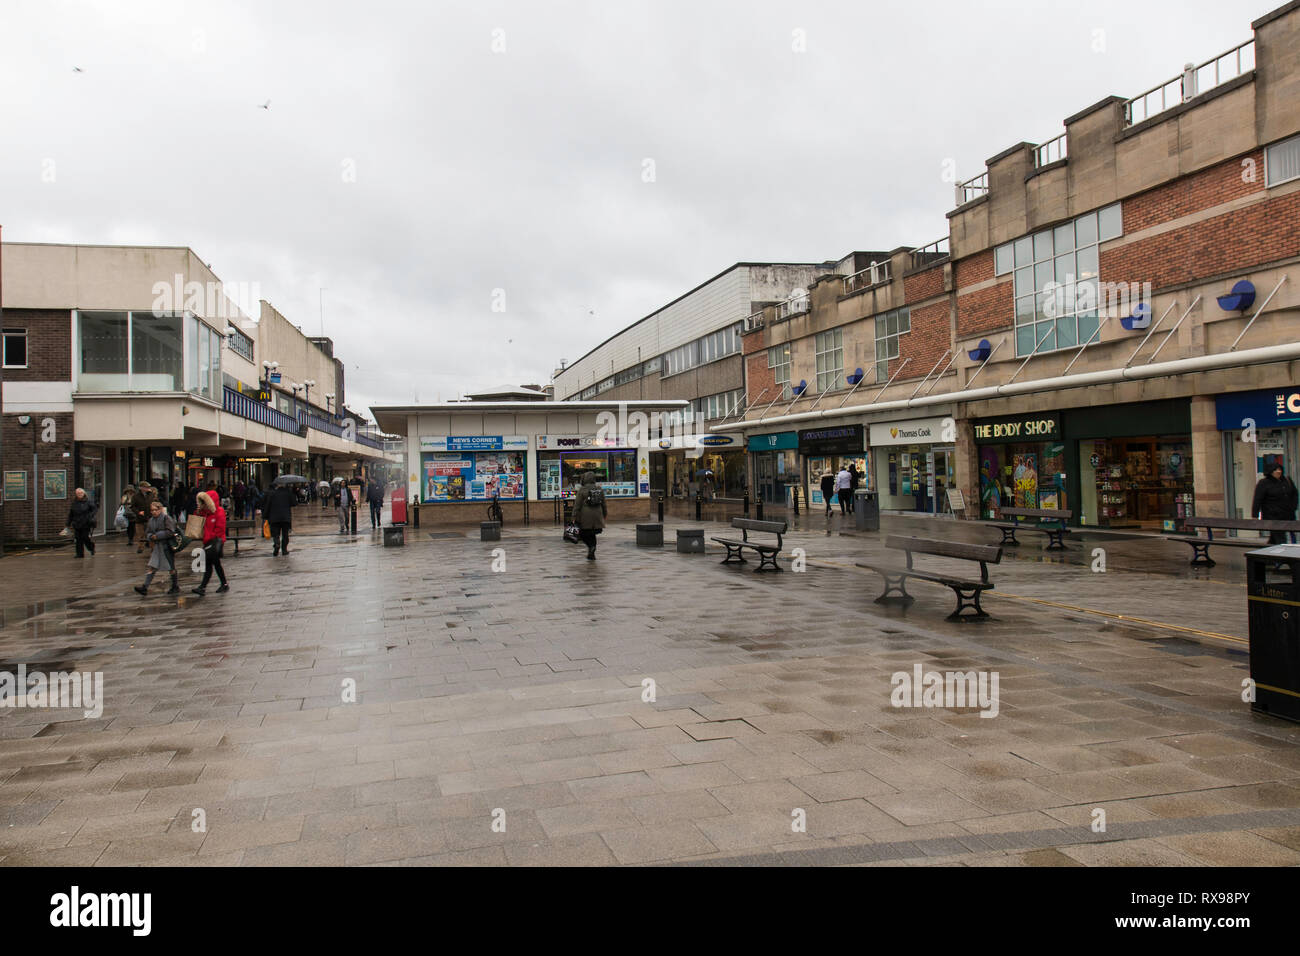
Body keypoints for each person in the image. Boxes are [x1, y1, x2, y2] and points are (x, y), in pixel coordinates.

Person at [134, 500, 180, 596]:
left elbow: (170, 531)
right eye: (152, 510)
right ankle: (145, 587)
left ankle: (175, 586)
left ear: (160, 510)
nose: (154, 512)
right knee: (152, 566)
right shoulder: (151, 520)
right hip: (157, 547)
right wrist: (151, 536)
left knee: (171, 567)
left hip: (166, 546)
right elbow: (148, 532)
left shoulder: (166, 518)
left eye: (155, 510)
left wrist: (158, 535)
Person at [192, 491, 229, 595]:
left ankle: (203, 587)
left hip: (215, 542)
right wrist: (198, 512)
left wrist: (211, 537)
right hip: (208, 542)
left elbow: (220, 529)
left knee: (210, 564)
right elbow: (196, 523)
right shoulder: (205, 513)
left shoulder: (219, 512)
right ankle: (223, 584)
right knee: (214, 564)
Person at [1252, 463, 1299, 545]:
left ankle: (1268, 553)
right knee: (1280, 538)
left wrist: (1293, 507)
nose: (1279, 471)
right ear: (1270, 472)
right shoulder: (1264, 483)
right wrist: (1255, 515)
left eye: (1280, 469)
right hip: (1273, 516)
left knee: (1275, 539)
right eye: (1276, 470)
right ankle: (1282, 555)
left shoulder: (1287, 480)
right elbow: (1257, 499)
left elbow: (1294, 493)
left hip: (1288, 515)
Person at [572, 471, 606, 560]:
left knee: (583, 534)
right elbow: (604, 504)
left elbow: (577, 505)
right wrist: (604, 514)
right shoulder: (599, 489)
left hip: (585, 515)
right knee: (593, 533)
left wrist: (574, 516)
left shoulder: (582, 490)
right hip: (597, 515)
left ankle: (591, 547)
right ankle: (592, 551)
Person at [265, 481, 296, 556]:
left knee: (275, 534)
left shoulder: (272, 493)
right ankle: (284, 550)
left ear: (277, 486)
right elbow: (294, 503)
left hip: (274, 517)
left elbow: (268, 505)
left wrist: (265, 516)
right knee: (285, 534)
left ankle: (276, 543)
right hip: (285, 518)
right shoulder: (288, 493)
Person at [65, 487, 97, 558]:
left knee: (85, 537)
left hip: (86, 523)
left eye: (81, 493)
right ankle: (79, 554)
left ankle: (91, 547)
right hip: (77, 523)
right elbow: (71, 514)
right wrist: (68, 523)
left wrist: (89, 516)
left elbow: (94, 510)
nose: (79, 494)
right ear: (76, 494)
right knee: (78, 539)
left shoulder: (88, 502)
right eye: (78, 493)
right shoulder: (74, 503)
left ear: (84, 494)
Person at [131, 483, 151, 553]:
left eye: (148, 487)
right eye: (145, 487)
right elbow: (132, 507)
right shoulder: (136, 496)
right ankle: (140, 547)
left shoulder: (150, 495)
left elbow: (154, 503)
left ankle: (152, 546)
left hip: (149, 517)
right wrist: (138, 512)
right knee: (140, 533)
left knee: (150, 532)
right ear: (141, 488)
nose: (147, 488)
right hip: (139, 518)